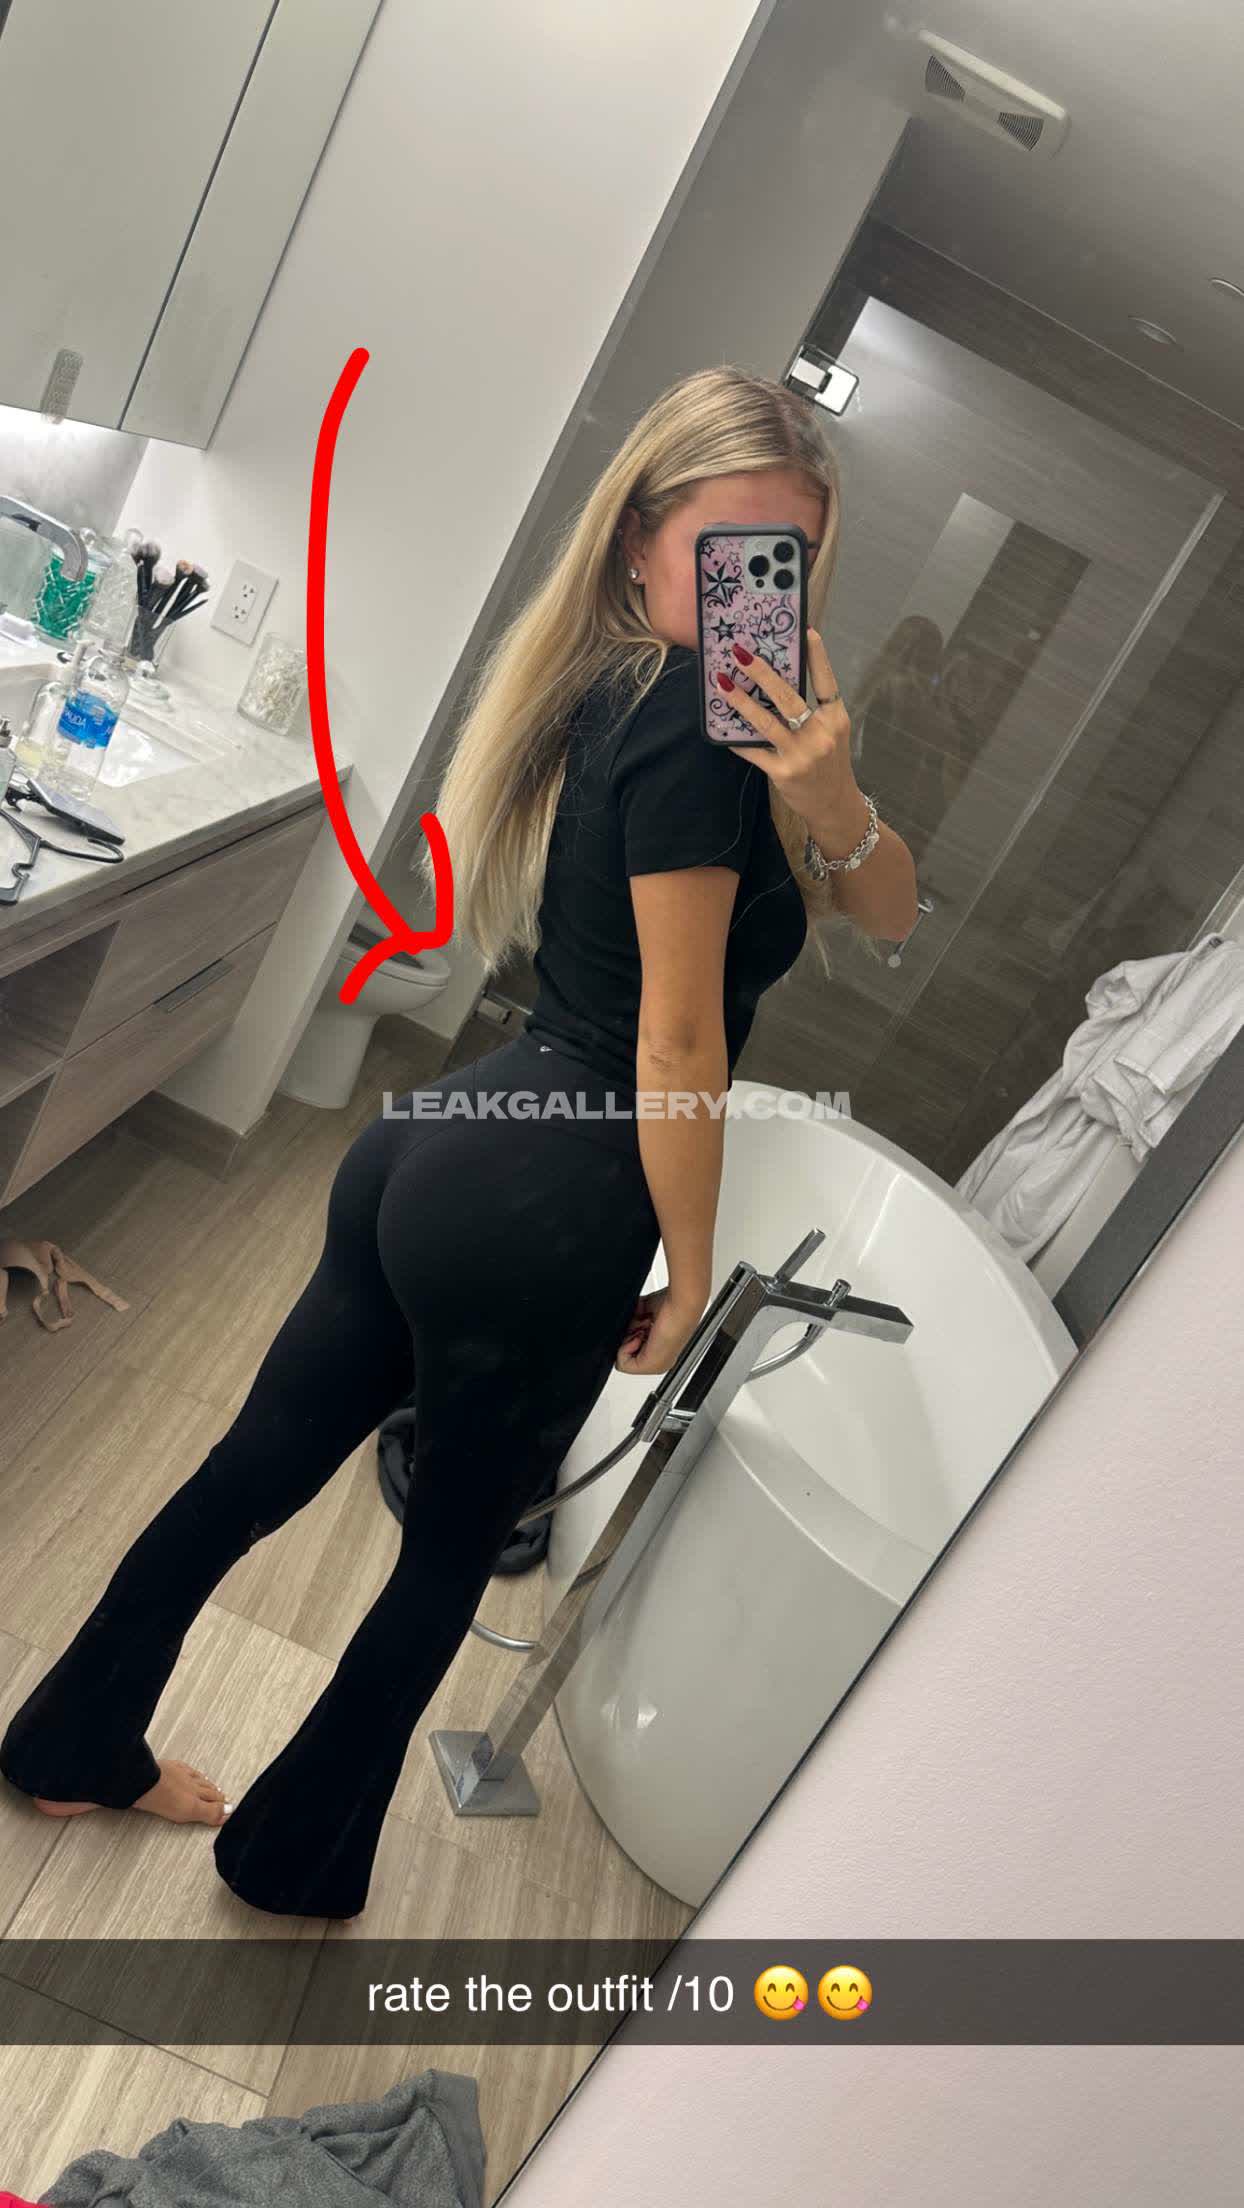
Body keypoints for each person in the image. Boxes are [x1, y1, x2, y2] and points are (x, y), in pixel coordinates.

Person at [0, 365, 917, 1921]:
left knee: (251, 1471)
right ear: (641, 537)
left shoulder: (655, 697)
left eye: (786, 558)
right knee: (444, 1564)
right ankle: (290, 1862)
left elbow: (887, 912)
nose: (749, 588)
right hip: (550, 1200)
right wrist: (695, 1273)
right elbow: (676, 1043)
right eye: (721, 545)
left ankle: (68, 1738)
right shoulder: (697, 734)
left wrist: (834, 797)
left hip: (445, 1145)